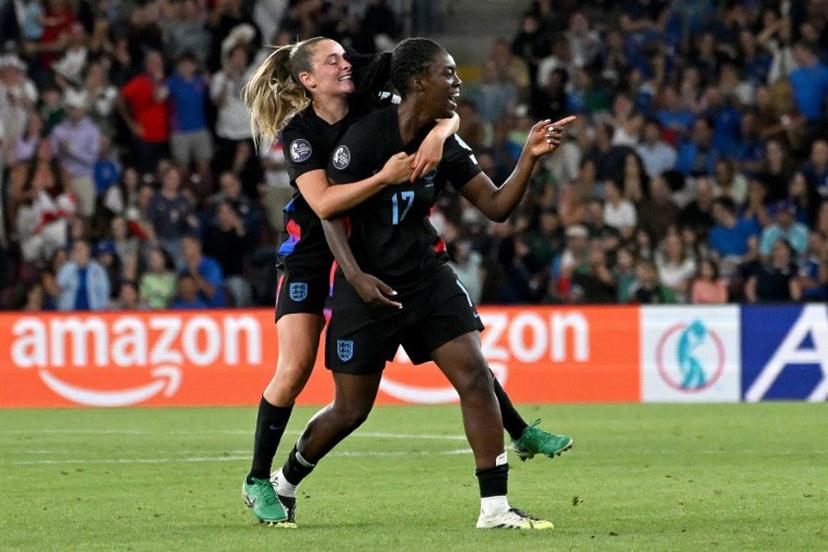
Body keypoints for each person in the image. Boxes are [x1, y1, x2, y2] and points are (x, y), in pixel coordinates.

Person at [239, 36, 572, 527]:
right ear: (308, 80)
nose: (346, 62)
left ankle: (497, 503)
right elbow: (326, 206)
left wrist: (447, 133)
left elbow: (438, 108)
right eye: (333, 60)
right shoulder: (307, 134)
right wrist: (354, 268)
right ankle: (263, 479)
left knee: (472, 371)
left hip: (414, 268)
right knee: (306, 377)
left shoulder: (376, 88)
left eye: (343, 55)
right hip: (318, 252)